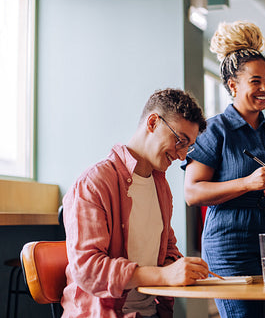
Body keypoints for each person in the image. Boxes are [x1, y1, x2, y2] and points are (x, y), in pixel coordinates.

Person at [182, 21, 265, 318]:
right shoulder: (213, 130)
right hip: (231, 247)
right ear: (233, 85)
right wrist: (247, 184)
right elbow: (192, 192)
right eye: (256, 81)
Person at [61, 88, 208, 318]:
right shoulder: (93, 183)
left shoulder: (161, 186)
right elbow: (88, 269)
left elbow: (167, 249)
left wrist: (178, 265)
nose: (181, 156)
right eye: (179, 141)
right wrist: (165, 275)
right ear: (152, 122)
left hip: (152, 313)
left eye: (188, 147)